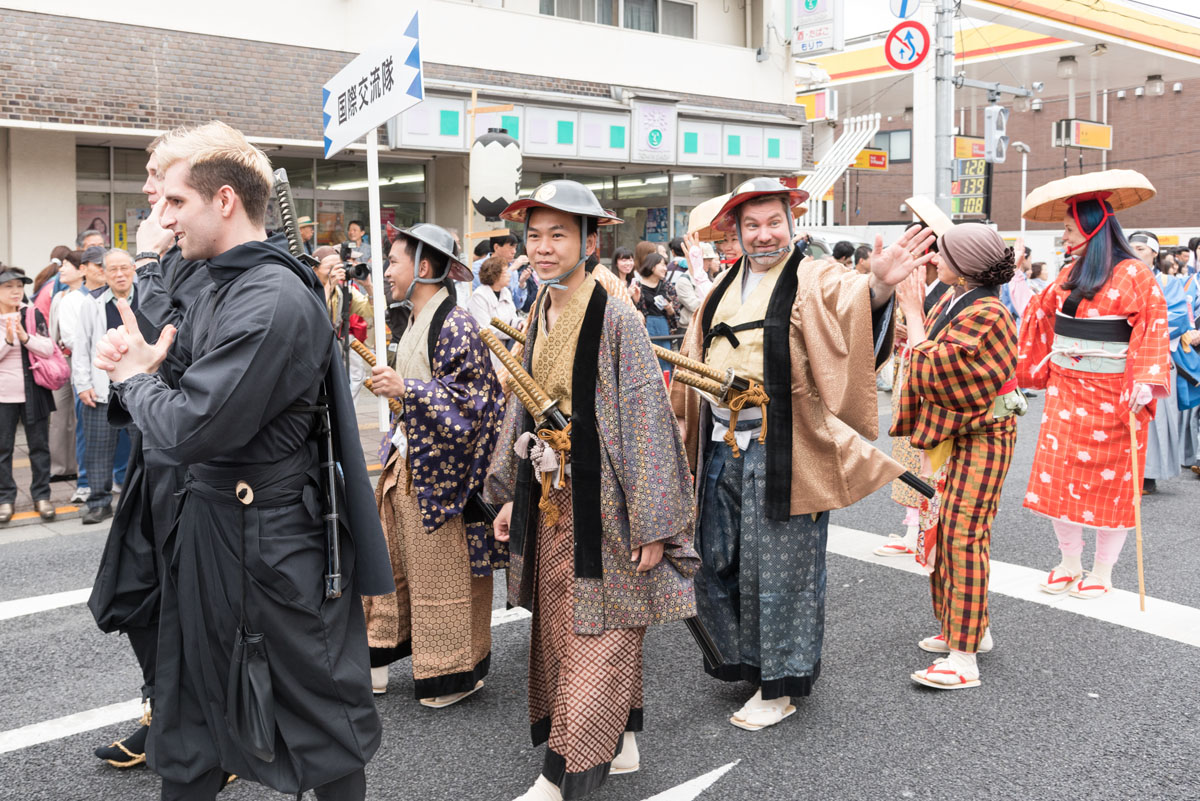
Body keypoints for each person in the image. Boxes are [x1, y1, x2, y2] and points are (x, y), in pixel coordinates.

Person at [90, 120, 391, 800]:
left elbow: (195, 423)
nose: (158, 219)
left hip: (271, 539)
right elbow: (182, 385)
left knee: (318, 716)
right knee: (190, 714)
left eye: (173, 203)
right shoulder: (218, 281)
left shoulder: (269, 296)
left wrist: (138, 379)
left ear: (223, 199)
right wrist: (145, 369)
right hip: (214, 527)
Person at [671, 178, 932, 730]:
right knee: (716, 556)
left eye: (774, 223)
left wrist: (879, 288)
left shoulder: (814, 275)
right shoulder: (720, 287)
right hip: (719, 442)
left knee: (783, 565)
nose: (764, 236)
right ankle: (746, 658)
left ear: (792, 225)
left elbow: (849, 304)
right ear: (734, 233)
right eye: (752, 226)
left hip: (782, 443)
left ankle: (781, 683)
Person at [485, 180, 698, 801]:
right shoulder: (539, 308)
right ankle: (622, 739)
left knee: (596, 633)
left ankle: (562, 776)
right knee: (566, 626)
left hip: (606, 506)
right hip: (552, 498)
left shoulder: (617, 316)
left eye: (559, 235)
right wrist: (509, 496)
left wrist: (656, 523)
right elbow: (520, 408)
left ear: (590, 240)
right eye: (535, 235)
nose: (544, 248)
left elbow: (647, 420)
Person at [362, 222, 503, 704]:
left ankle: (453, 672)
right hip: (412, 462)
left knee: (442, 574)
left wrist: (408, 391)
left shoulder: (454, 321)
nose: (387, 271)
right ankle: (380, 657)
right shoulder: (419, 318)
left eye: (394, 261)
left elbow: (476, 402)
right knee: (393, 565)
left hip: (444, 477)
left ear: (423, 268)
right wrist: (401, 394)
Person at [1017, 170, 1169, 599]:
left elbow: (1153, 328)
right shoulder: (1069, 272)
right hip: (1067, 390)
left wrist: (1146, 378)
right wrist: (1014, 278)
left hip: (1116, 394)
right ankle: (1068, 561)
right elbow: (1039, 314)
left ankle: (1102, 571)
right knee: (1059, 476)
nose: (1064, 237)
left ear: (1091, 227)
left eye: (1068, 228)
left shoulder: (1135, 274)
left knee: (1113, 483)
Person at [892, 223, 1022, 690]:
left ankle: (962, 658)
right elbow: (928, 349)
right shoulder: (959, 300)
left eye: (942, 254)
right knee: (946, 529)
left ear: (965, 268)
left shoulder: (989, 312)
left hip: (983, 433)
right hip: (963, 432)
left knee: (963, 533)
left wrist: (914, 314)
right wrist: (907, 320)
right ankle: (969, 630)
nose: (935, 260)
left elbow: (940, 370)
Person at [876, 198, 954, 558]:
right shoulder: (916, 282)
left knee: (929, 453)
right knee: (909, 449)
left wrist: (915, 320)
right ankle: (913, 526)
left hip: (936, 378)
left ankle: (928, 526)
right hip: (912, 369)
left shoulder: (954, 290)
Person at [73, 249, 140, 525]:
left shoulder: (149, 295)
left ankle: (141, 500)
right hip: (103, 388)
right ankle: (99, 503)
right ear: (104, 272)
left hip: (142, 386)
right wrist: (82, 384)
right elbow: (82, 345)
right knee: (98, 448)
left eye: (125, 268)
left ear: (134, 269)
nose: (120, 274)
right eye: (113, 269)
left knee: (144, 448)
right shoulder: (93, 302)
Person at [1128, 231, 1184, 494]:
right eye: (1131, 248)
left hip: (1155, 353)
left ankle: (1149, 473)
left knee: (1155, 414)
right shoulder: (1120, 278)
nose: (1135, 252)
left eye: (1141, 248)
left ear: (1154, 252)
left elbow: (1179, 317)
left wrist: (1142, 330)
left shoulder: (1167, 282)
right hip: (1125, 353)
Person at [0, 267, 56, 524]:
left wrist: (25, 337)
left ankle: (42, 496)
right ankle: (5, 499)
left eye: (18, 286)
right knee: (3, 449)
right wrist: (8, 341)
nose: (15, 291)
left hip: (34, 391)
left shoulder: (32, 313)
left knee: (39, 447)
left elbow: (48, 348)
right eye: (8, 286)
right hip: (3, 396)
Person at [46, 249, 83, 480]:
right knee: (59, 415)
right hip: (62, 360)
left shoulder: (91, 297)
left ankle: (82, 467)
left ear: (82, 270)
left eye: (66, 266)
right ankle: (60, 468)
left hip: (81, 360)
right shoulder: (59, 297)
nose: (61, 269)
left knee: (82, 416)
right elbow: (53, 331)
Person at [469, 255, 519, 372]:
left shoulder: (505, 292)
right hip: (489, 352)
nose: (509, 275)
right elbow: (486, 329)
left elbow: (513, 318)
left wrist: (520, 323)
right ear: (496, 275)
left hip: (508, 350)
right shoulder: (479, 295)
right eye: (505, 272)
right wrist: (513, 332)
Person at [634, 253, 678, 370]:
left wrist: (669, 309)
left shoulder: (667, 286)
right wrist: (637, 309)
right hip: (645, 329)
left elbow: (676, 316)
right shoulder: (637, 286)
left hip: (664, 329)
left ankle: (666, 387)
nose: (665, 268)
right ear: (652, 266)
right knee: (646, 362)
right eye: (662, 265)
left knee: (665, 362)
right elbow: (631, 307)